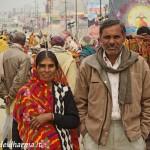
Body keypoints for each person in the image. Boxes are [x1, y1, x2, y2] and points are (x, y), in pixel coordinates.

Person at [75, 19, 150, 150]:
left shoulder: (139, 64)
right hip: (96, 136)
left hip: (132, 135)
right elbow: (79, 101)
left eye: (116, 37)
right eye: (107, 37)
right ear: (100, 39)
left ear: (123, 38)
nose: (111, 42)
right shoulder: (88, 65)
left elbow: (147, 100)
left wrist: (143, 131)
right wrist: (85, 131)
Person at [13, 50, 79, 149]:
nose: (46, 70)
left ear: (57, 68)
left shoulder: (63, 91)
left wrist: (50, 116)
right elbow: (17, 124)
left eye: (51, 66)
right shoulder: (25, 92)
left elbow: (74, 121)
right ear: (36, 68)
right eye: (42, 66)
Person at [0, 32, 31, 149]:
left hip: (7, 96)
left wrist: (5, 95)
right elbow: (20, 79)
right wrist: (11, 95)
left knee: (9, 120)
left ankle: (6, 145)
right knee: (17, 124)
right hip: (19, 96)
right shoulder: (24, 57)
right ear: (23, 43)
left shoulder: (3, 54)